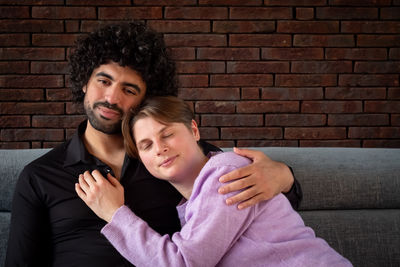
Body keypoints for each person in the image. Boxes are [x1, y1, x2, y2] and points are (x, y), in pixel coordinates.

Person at [5, 21, 301, 267]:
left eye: (128, 89)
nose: (111, 98)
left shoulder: (176, 158)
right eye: (103, 81)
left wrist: (284, 177)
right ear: (84, 81)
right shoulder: (40, 176)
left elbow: (258, 210)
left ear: (144, 99)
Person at [76, 96, 352, 267]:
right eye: (146, 145)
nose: (159, 148)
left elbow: (182, 263)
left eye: (167, 134)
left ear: (194, 130)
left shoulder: (225, 171)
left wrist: (114, 213)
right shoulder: (192, 203)